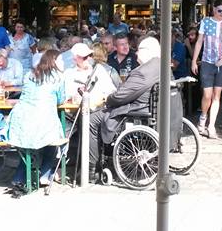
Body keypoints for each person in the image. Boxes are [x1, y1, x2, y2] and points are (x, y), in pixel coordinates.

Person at [88, 37, 161, 181]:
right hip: (149, 109)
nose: (136, 53)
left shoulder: (143, 71)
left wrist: (108, 99)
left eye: (139, 50)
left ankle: (91, 168)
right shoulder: (161, 66)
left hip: (134, 111)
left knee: (91, 119)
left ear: (147, 51)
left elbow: (120, 97)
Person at [6, 48, 66, 195]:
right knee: (53, 139)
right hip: (42, 118)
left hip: (20, 120)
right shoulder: (58, 78)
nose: (64, 62)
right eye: (61, 60)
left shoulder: (29, 74)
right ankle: (44, 174)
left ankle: (20, 177)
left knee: (28, 144)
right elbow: (60, 99)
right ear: (54, 62)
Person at [191, 1, 222, 138]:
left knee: (217, 95)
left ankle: (211, 125)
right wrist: (194, 60)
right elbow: (199, 41)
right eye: (220, 10)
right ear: (214, 9)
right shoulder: (206, 22)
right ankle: (203, 117)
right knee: (207, 95)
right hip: (207, 62)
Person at [62, 43, 116, 108]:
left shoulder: (98, 69)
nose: (89, 58)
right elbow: (66, 97)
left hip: (99, 110)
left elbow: (112, 90)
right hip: (77, 110)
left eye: (90, 55)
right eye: (85, 57)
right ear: (75, 58)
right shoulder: (69, 74)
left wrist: (103, 98)